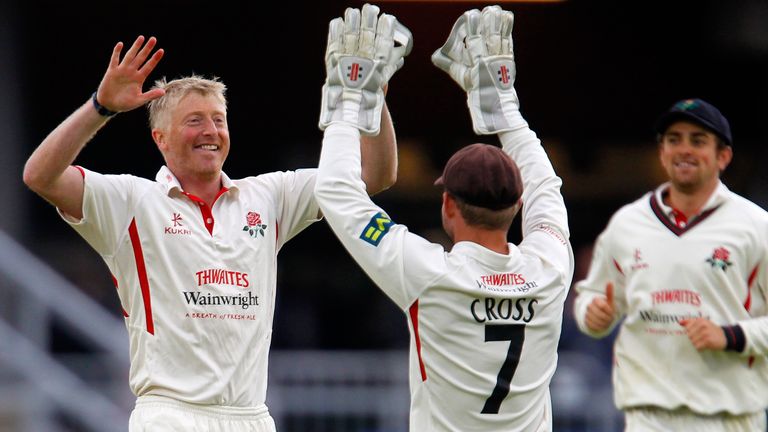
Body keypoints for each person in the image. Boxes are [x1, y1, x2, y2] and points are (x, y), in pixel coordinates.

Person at [21, 4, 406, 429]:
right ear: (160, 138)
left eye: (218, 120)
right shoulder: (131, 200)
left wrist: (370, 97)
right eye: (194, 121)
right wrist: (101, 106)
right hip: (170, 416)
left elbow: (375, 177)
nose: (211, 131)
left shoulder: (269, 195)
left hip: (250, 416)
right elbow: (40, 176)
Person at [315, 5, 574, 431]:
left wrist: (348, 100)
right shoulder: (550, 267)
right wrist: (505, 109)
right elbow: (546, 188)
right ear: (516, 205)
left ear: (448, 205)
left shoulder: (429, 273)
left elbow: (337, 192)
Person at [573, 98, 768, 431]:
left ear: (723, 156)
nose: (684, 149)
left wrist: (732, 335)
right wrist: (592, 315)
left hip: (728, 416)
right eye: (674, 140)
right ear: (662, 152)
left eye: (698, 140)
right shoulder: (627, 223)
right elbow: (592, 298)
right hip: (648, 414)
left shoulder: (756, 226)